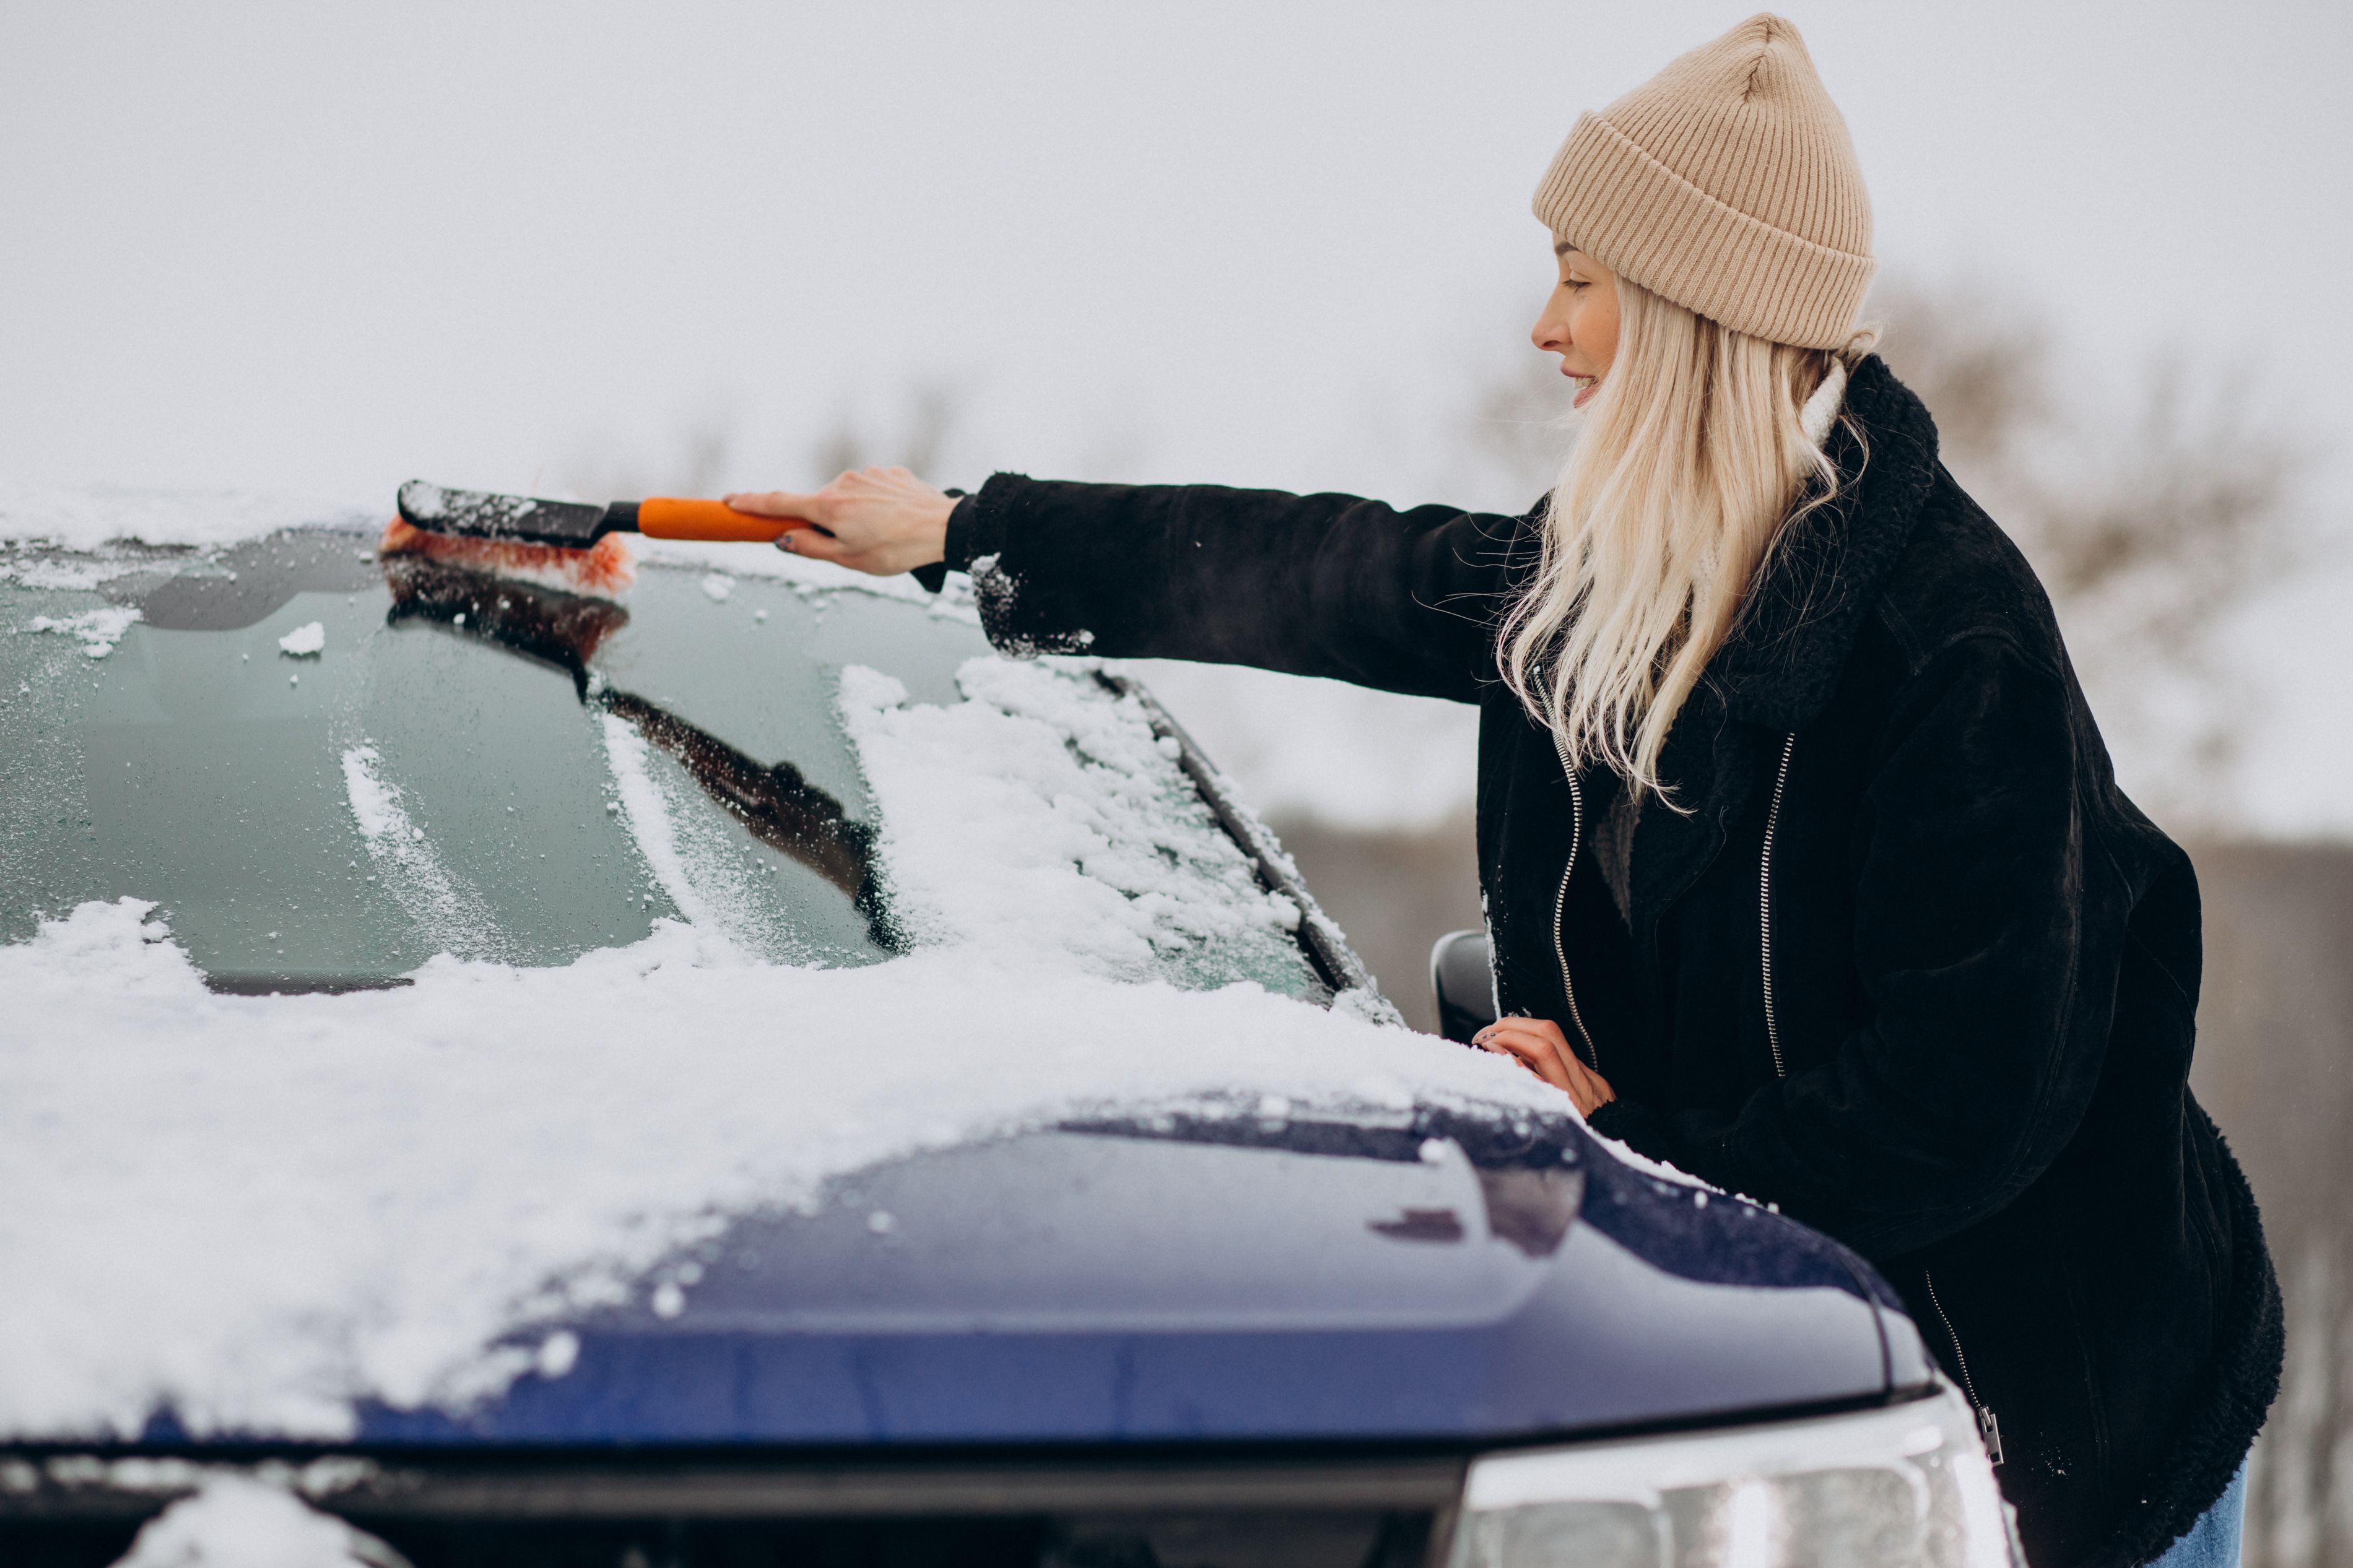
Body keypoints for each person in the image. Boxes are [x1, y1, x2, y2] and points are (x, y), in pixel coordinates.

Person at [723, 15, 2281, 1566]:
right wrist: (963, 528)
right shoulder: (1616, 571)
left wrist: (1632, 1143)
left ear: (1688, 314)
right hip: (1802, 1386)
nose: (1547, 328)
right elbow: (1327, 573)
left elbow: (1962, 1104)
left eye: (1582, 281)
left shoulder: (1950, 647)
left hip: (2072, 1409)